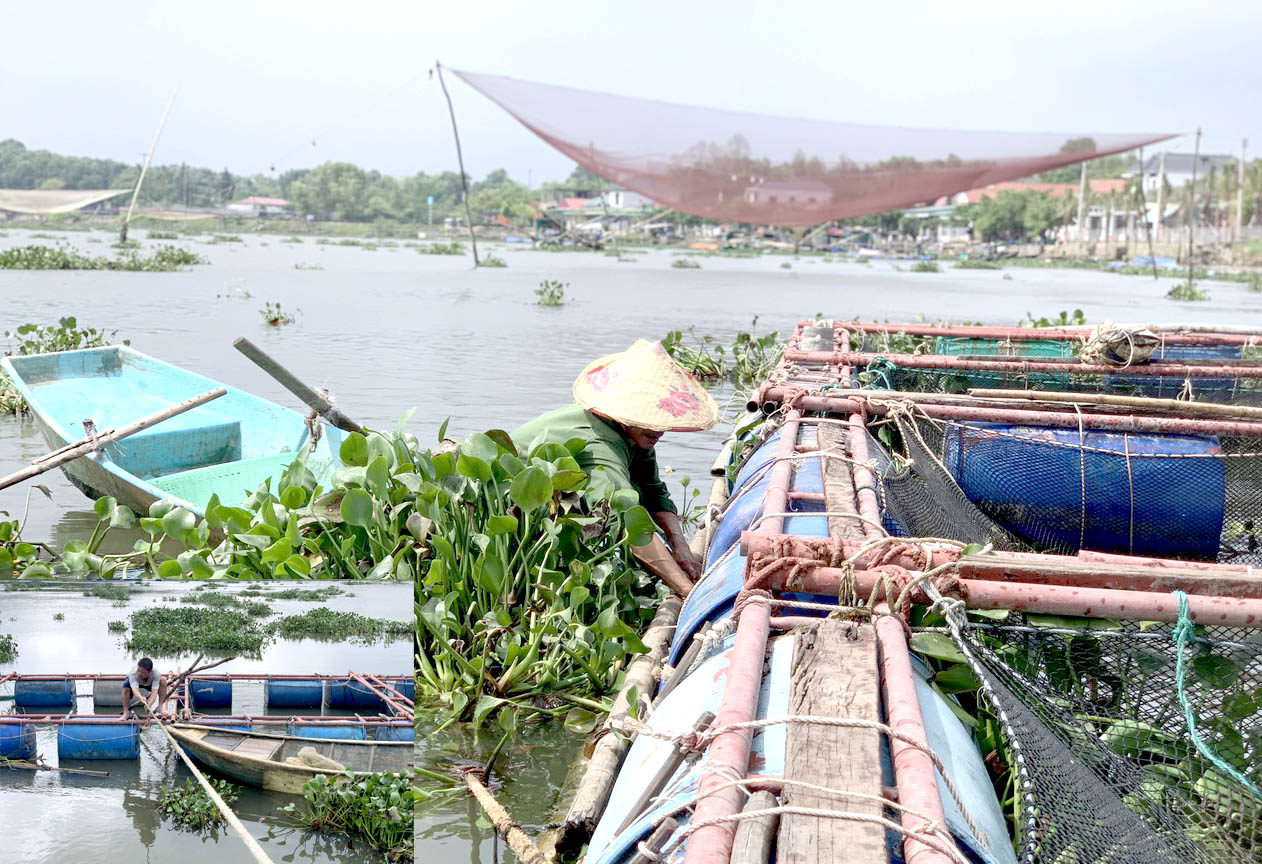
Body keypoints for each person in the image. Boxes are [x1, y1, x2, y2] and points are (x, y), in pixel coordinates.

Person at [512, 339, 719, 595]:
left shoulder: (635, 432)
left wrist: (681, 548)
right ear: (627, 411)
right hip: (503, 496)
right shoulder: (600, 444)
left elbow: (654, 493)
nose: (659, 430)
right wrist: (688, 591)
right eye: (650, 421)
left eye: (662, 421)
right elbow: (627, 523)